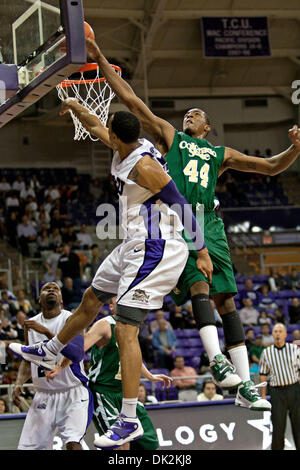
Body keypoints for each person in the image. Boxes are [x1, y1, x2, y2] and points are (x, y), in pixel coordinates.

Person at [85, 38, 296, 410]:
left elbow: (270, 167)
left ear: (209, 127)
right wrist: (101, 59)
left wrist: (295, 148)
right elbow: (134, 102)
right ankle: (216, 361)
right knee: (199, 284)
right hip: (180, 220)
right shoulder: (172, 138)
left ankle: (245, 386)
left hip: (211, 224)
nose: (190, 115)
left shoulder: (220, 154)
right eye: (188, 113)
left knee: (227, 301)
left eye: (197, 114)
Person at [9, 105, 218, 449]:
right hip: (133, 242)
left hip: (158, 246)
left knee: (124, 327)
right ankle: (50, 349)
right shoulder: (122, 144)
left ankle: (129, 418)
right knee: (91, 298)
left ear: (117, 136)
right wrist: (75, 104)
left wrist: (203, 252)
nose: (104, 132)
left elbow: (180, 203)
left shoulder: (145, 166)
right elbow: (94, 124)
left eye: (109, 130)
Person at [46, 297, 168, 450]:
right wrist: (59, 367)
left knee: (150, 444)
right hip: (104, 393)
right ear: (112, 307)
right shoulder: (104, 325)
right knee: (121, 446)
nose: (124, 300)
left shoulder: (131, 326)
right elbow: (79, 349)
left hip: (125, 394)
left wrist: (149, 375)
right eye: (119, 299)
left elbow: (132, 356)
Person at [10, 282, 92, 450]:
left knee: (73, 443)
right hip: (44, 394)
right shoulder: (31, 324)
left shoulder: (71, 318)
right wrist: (19, 383)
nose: (51, 290)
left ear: (61, 298)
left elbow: (77, 353)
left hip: (72, 391)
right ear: (39, 299)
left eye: (56, 288)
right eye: (46, 289)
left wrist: (47, 332)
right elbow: (28, 360)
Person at [259, 323, 300, 450]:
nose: (277, 334)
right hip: (277, 392)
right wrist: (263, 397)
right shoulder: (266, 353)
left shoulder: (294, 349)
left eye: (280, 331)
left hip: (294, 389)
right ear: (272, 334)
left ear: (285, 334)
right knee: (278, 425)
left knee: (298, 424)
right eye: (275, 331)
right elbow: (263, 375)